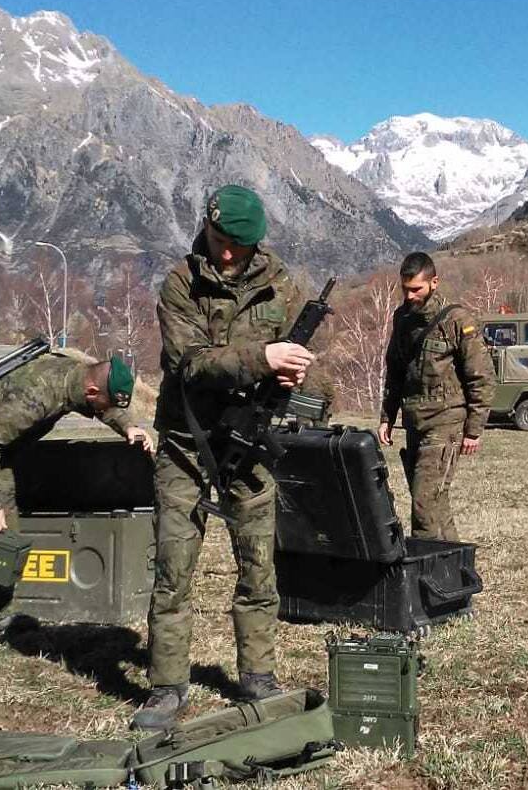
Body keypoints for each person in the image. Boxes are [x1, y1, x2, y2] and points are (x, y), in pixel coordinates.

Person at [132, 184, 312, 731]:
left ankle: (258, 675)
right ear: (206, 228)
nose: (227, 253)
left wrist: (293, 371)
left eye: (239, 244)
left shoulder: (281, 286)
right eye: (218, 239)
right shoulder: (181, 283)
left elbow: (296, 358)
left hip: (250, 442)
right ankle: (167, 686)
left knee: (258, 567)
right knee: (173, 569)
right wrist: (263, 357)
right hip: (187, 446)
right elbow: (190, 362)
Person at [0, 353, 149, 622]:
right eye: (103, 403)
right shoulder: (39, 395)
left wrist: (128, 427)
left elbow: (103, 404)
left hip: (4, 441)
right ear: (91, 390)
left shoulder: (78, 379)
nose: (103, 410)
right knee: (2, 522)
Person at [378, 252, 495, 541]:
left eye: (416, 289)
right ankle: (455, 572)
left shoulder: (456, 321)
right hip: (415, 421)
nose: (410, 295)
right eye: (405, 289)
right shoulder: (402, 318)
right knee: (435, 502)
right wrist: (387, 417)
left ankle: (425, 576)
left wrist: (474, 430)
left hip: (446, 421)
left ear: (434, 283)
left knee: (423, 504)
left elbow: (481, 376)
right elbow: (395, 370)